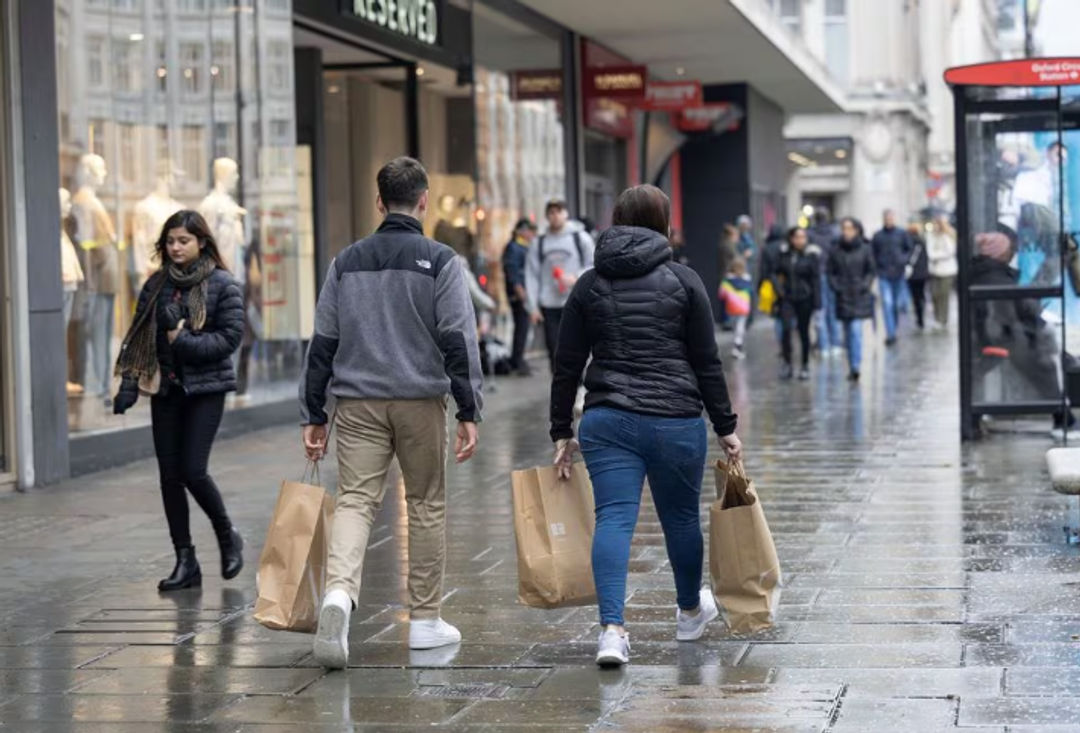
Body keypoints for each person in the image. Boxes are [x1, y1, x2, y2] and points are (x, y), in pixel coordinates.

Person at [300, 157, 484, 669]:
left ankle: (338, 596)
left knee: (356, 501)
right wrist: (469, 409)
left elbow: (324, 343)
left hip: (356, 403)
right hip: (420, 401)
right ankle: (425, 622)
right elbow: (457, 339)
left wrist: (314, 412)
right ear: (423, 201)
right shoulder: (441, 260)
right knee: (425, 502)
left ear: (378, 202)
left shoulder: (345, 262)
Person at [549, 184, 742, 667]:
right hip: (676, 420)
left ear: (615, 220)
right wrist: (726, 425)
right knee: (680, 519)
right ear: (665, 224)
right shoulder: (684, 280)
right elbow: (707, 361)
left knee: (614, 519)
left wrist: (560, 431)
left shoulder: (590, 283)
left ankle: (612, 632)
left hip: (607, 419)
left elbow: (566, 363)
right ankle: (689, 612)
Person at [112, 210, 245, 592]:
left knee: (193, 469)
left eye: (183, 240)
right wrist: (129, 383)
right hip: (167, 391)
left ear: (201, 241)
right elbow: (137, 336)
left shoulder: (223, 285)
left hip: (206, 391)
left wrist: (180, 339)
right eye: (170, 241)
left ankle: (226, 535)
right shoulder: (155, 285)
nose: (175, 248)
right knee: (169, 478)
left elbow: (228, 340)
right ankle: (186, 560)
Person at [970, 231, 1074, 438]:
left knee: (1055, 357)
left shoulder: (990, 273)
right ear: (998, 254)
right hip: (1006, 339)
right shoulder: (996, 278)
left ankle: (1064, 414)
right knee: (1046, 363)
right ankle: (1064, 418)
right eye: (1009, 249)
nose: (1013, 252)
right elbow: (1019, 312)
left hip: (1002, 336)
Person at [526, 199, 596, 371]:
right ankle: (559, 387)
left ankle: (578, 383)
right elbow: (532, 275)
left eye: (559, 211)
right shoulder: (539, 243)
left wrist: (575, 277)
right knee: (554, 349)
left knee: (576, 347)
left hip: (575, 301)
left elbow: (594, 265)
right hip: (549, 304)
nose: (555, 216)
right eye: (551, 212)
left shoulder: (581, 238)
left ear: (566, 214)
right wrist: (532, 306)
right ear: (547, 216)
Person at [828, 217, 875, 382]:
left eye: (849, 228)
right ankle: (851, 364)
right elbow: (830, 272)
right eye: (844, 228)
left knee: (855, 331)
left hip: (859, 295)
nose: (846, 232)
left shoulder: (865, 249)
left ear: (856, 230)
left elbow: (871, 270)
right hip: (843, 295)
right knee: (847, 333)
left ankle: (856, 365)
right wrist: (836, 287)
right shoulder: (835, 250)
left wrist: (865, 285)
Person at [773, 227, 821, 380]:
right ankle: (787, 364)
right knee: (786, 330)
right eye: (797, 237)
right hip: (787, 298)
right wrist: (779, 289)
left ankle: (805, 365)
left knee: (803, 332)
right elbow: (774, 272)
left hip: (805, 298)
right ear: (791, 238)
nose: (800, 240)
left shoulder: (811, 255)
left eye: (803, 237)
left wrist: (817, 301)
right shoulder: (784, 254)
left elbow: (816, 279)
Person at [502, 218, 537, 376]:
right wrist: (521, 293)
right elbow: (513, 273)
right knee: (521, 327)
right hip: (519, 294)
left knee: (523, 328)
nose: (531, 234)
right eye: (529, 230)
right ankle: (517, 361)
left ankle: (519, 359)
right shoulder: (514, 247)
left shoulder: (522, 246)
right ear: (521, 231)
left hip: (524, 293)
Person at [871, 209, 912, 346]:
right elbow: (873, 254)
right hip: (884, 274)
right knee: (887, 304)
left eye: (891, 218)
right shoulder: (878, 236)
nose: (889, 221)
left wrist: (903, 260)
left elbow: (909, 249)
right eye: (887, 218)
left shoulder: (901, 234)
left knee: (896, 304)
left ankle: (894, 328)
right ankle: (891, 333)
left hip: (898, 273)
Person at [808, 207, 841, 355]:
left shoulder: (810, 234)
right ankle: (834, 343)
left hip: (819, 274)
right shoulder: (835, 233)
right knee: (831, 310)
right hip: (830, 273)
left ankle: (824, 344)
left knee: (820, 310)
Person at [926, 214, 958, 330]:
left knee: (944, 295)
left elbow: (950, 251)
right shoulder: (931, 235)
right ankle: (937, 318)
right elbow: (930, 252)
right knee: (934, 295)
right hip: (934, 270)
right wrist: (937, 254)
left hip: (947, 271)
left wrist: (937, 254)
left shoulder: (949, 234)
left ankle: (943, 319)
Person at [758, 225, 787, 346]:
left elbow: (763, 270)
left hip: (771, 284)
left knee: (777, 315)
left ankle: (782, 343)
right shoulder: (786, 246)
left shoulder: (766, 248)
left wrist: (760, 285)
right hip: (786, 283)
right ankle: (787, 342)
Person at [719, 257, 752, 359]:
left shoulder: (726, 281)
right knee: (740, 327)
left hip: (731, 308)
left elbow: (721, 295)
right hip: (743, 308)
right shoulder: (747, 280)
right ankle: (738, 346)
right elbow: (751, 293)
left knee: (735, 327)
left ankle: (736, 346)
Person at [905, 217, 929, 330]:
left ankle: (919, 315)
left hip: (913, 273)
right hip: (921, 273)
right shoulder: (921, 240)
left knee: (915, 296)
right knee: (920, 294)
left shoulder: (909, 241)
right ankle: (921, 312)